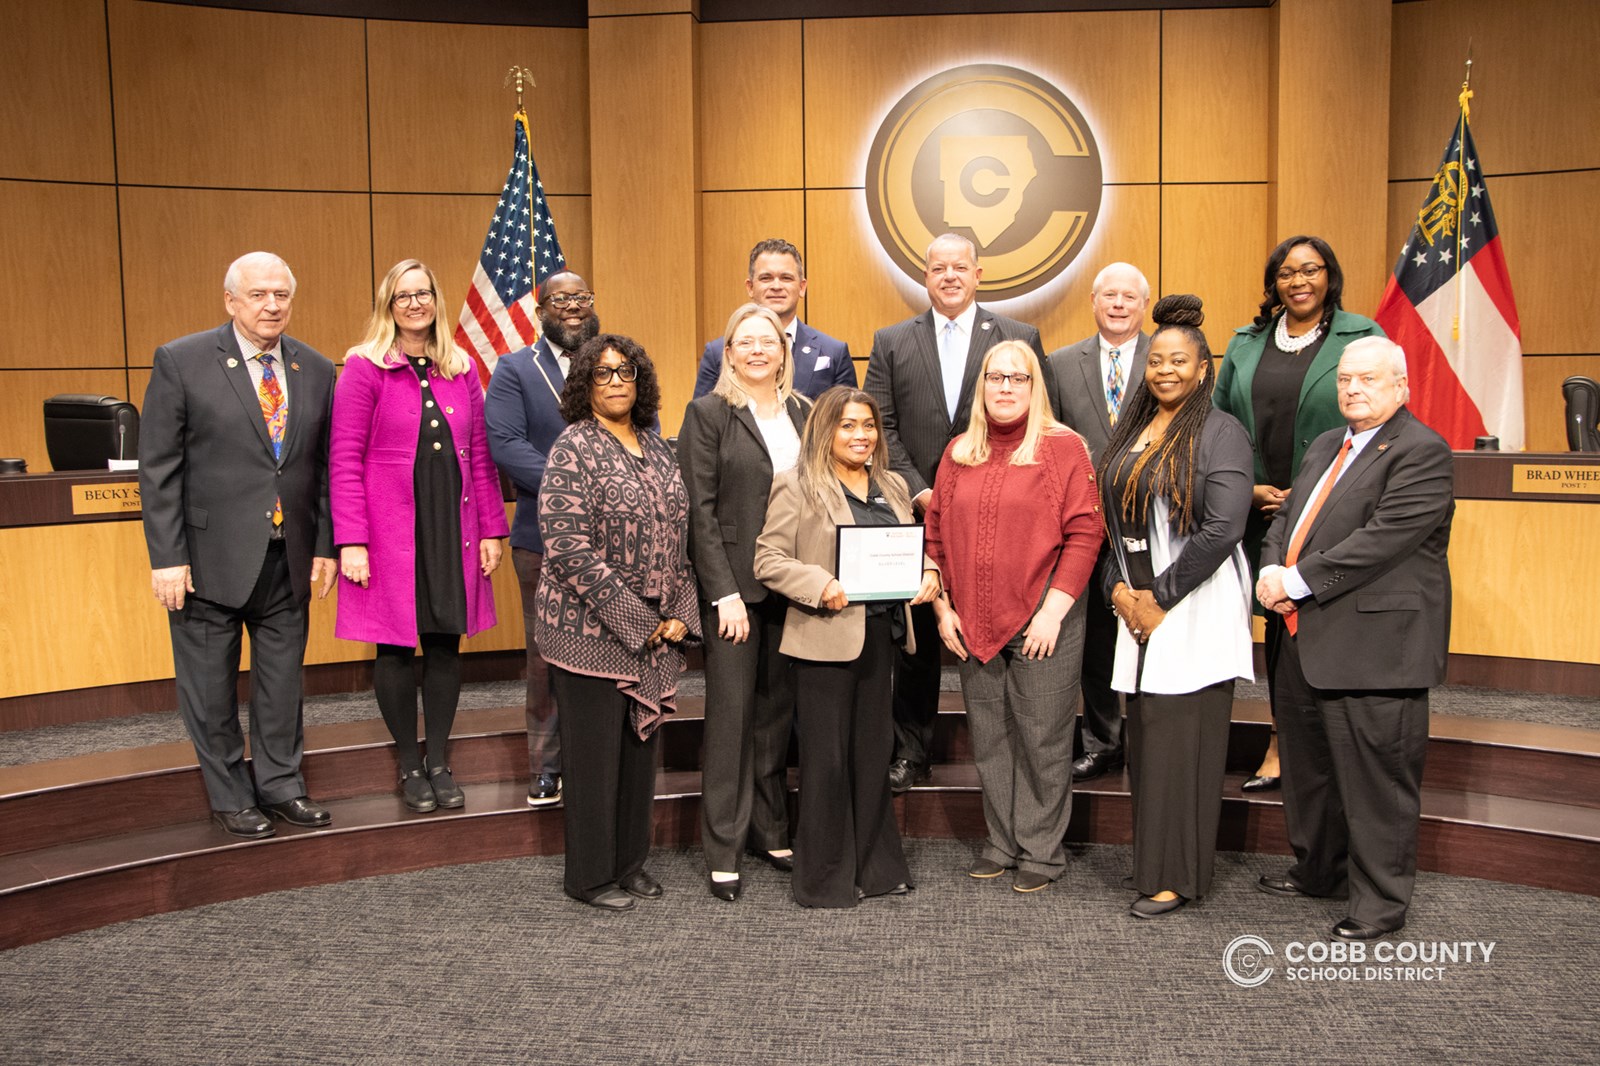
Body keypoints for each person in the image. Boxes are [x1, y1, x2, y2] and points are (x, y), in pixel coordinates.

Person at [1255, 337, 1453, 941]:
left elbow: (1383, 539)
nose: (1353, 390)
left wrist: (1298, 580)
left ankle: (1380, 905)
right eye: (1345, 379)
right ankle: (1320, 870)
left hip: (1374, 648)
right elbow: (1288, 517)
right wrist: (1269, 568)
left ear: (1401, 386)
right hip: (1301, 634)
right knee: (1310, 769)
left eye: (1368, 379)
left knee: (1376, 783)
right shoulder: (1324, 445)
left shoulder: (1421, 452)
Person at [139, 251, 337, 838]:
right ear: (231, 301)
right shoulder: (182, 361)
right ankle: (229, 795)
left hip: (288, 557)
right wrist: (168, 558)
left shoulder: (318, 368)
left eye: (281, 294)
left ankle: (281, 785)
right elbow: (158, 471)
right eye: (258, 295)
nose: (272, 305)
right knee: (209, 687)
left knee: (282, 684)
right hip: (206, 560)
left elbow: (325, 469)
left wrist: (324, 547)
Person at [863, 232, 1052, 793]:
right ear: (925, 275)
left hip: (1001, 518)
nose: (949, 276)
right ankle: (912, 751)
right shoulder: (892, 340)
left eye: (959, 267)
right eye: (938, 268)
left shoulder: (1019, 338)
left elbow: (1041, 419)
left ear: (978, 273)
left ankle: (1017, 749)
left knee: (1002, 625)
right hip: (915, 511)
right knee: (918, 637)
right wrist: (924, 491)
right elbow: (881, 425)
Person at [330, 259, 509, 812]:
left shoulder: (460, 370)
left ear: (436, 300)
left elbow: (480, 458)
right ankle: (409, 764)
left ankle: (439, 761)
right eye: (403, 295)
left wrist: (491, 531)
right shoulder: (364, 368)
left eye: (423, 293)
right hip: (388, 531)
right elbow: (344, 458)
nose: (415, 303)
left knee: (444, 641)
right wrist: (351, 540)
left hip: (451, 526)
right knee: (393, 645)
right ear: (389, 304)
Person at [753, 387, 941, 908]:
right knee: (828, 761)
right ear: (825, 431)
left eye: (868, 426)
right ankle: (825, 879)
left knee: (872, 754)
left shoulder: (894, 484)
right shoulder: (797, 485)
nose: (861, 436)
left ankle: (876, 869)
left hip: (882, 638)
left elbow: (914, 545)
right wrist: (819, 584)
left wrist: (929, 571)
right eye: (847, 426)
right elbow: (767, 560)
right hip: (824, 641)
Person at [925, 341, 1103, 893]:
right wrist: (941, 609)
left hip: (1045, 618)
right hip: (971, 624)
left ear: (1034, 387)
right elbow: (933, 537)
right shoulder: (959, 452)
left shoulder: (1062, 447)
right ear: (981, 385)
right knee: (991, 740)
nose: (1005, 387)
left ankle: (1042, 853)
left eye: (1018, 378)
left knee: (1043, 740)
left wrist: (1053, 611)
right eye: (995, 376)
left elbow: (1085, 532)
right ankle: (1001, 843)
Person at [1098, 294, 1254, 918]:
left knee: (1183, 749)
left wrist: (1157, 600)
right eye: (1155, 359)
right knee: (1151, 744)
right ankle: (1153, 866)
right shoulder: (1133, 432)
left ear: (1202, 368)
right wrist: (1117, 590)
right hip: (1136, 608)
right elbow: (1111, 523)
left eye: (1178, 361)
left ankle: (1178, 876)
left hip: (1191, 607)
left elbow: (1222, 529)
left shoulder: (1221, 432)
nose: (1164, 370)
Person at [1214, 236, 1385, 793]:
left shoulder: (1361, 336)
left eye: (1311, 270)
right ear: (1274, 283)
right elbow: (1216, 424)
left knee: (1311, 625)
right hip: (1252, 507)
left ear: (1329, 276)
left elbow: (1380, 418)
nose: (1299, 281)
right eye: (1287, 273)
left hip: (1330, 508)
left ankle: (1303, 743)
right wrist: (1249, 488)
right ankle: (1272, 734)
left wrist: (1312, 491)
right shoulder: (1245, 343)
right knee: (1266, 626)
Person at [535, 334, 699, 911]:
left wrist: (679, 614)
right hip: (587, 633)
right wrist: (638, 619)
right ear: (584, 383)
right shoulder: (572, 447)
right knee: (594, 760)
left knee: (638, 753)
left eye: (625, 371)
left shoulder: (657, 447)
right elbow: (568, 549)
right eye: (601, 373)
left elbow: (679, 538)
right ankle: (588, 876)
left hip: (653, 634)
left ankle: (630, 864)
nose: (615, 382)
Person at [679, 303, 809, 901]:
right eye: (745, 341)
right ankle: (723, 847)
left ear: (784, 352)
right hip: (734, 591)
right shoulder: (708, 414)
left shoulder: (806, 414)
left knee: (775, 717)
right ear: (728, 353)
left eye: (769, 341)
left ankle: (769, 827)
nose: (758, 350)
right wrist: (723, 592)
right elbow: (698, 513)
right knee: (731, 721)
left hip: (793, 590)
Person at [485, 270, 601, 809]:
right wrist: (574, 487)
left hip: (612, 539)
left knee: (608, 649)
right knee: (545, 656)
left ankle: (594, 758)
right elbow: (506, 445)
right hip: (543, 538)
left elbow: (642, 429)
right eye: (561, 299)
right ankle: (546, 767)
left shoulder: (613, 362)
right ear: (541, 310)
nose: (573, 307)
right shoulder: (514, 370)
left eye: (581, 297)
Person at [1045, 261, 1152, 783]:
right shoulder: (1062, 363)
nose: (1117, 304)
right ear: (1093, 301)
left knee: (1150, 629)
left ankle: (1153, 739)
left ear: (1144, 305)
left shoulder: (1170, 359)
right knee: (1089, 638)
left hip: (1150, 523)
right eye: (1109, 295)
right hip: (1078, 523)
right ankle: (1102, 740)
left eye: (1128, 297)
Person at [692, 238, 856, 400]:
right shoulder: (717, 352)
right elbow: (700, 421)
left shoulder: (834, 352)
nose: (776, 286)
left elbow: (848, 419)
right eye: (766, 278)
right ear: (750, 287)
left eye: (786, 278)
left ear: (802, 287)